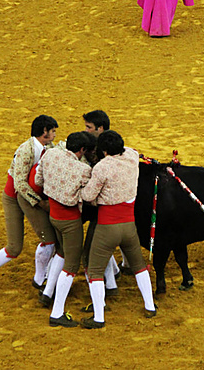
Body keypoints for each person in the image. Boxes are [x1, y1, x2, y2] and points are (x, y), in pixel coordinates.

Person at [0, 115, 59, 302]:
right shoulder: (25, 150)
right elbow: (19, 184)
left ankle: (40, 279)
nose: (54, 135)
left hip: (28, 197)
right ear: (44, 132)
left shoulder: (48, 147)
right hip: (15, 199)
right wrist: (40, 203)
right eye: (52, 131)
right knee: (14, 247)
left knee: (49, 239)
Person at [80, 131, 156, 329]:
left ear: (104, 150)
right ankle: (150, 306)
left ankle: (99, 317)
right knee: (138, 265)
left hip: (107, 227)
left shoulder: (102, 167)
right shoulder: (132, 156)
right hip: (129, 225)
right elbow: (132, 149)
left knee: (95, 270)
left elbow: (88, 196)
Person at [34, 131, 96, 327]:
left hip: (53, 216)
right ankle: (57, 312)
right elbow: (89, 196)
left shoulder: (50, 154)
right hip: (70, 222)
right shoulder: (83, 170)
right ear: (82, 150)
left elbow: (38, 181)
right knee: (71, 265)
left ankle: (47, 293)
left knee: (61, 251)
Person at [80, 109, 123, 291]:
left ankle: (107, 288)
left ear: (101, 128)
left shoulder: (107, 156)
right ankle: (113, 276)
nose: (86, 130)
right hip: (110, 209)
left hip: (101, 208)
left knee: (91, 251)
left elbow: (90, 194)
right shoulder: (117, 147)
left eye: (89, 127)